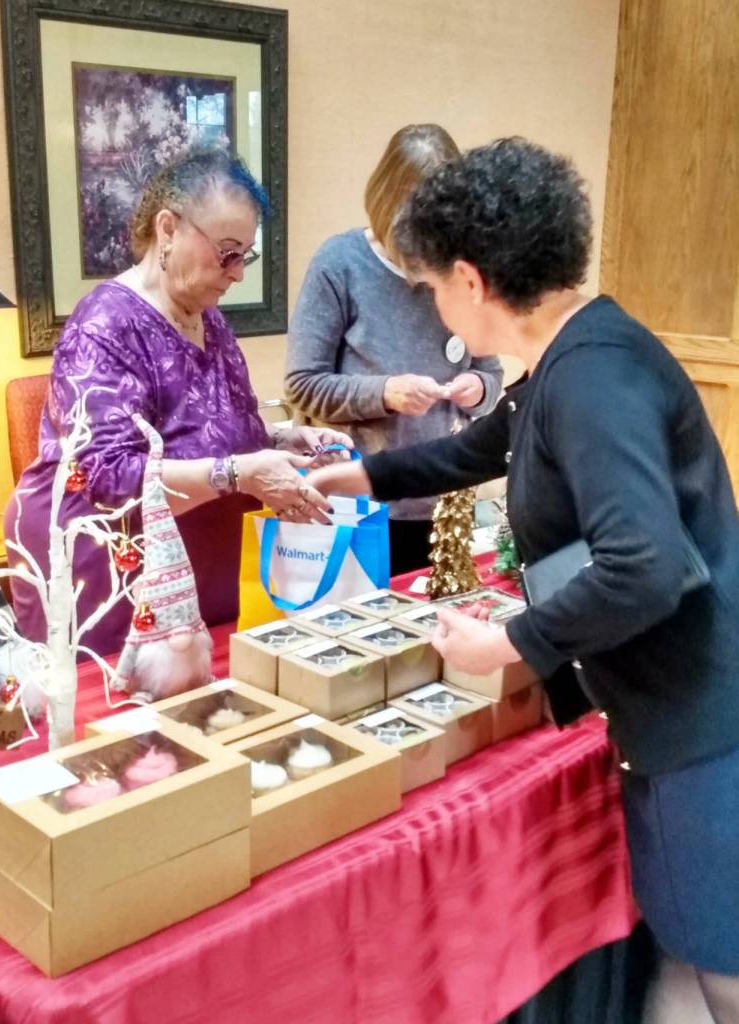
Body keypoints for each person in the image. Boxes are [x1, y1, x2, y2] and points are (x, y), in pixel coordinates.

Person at [307, 138, 739, 1023]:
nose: (431, 299)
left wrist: (507, 640)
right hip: (663, 710)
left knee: (723, 963)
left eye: (431, 284)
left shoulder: (594, 377)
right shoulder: (568, 353)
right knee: (680, 946)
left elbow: (644, 563)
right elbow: (484, 447)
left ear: (470, 278)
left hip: (704, 716)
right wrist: (356, 478)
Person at [5, 146, 350, 657]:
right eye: (227, 251)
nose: (237, 273)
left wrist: (284, 438)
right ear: (167, 229)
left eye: (246, 256)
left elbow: (220, 428)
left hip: (197, 574)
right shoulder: (104, 325)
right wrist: (240, 473)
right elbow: (106, 477)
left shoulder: (207, 317)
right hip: (110, 575)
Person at [284, 124, 503, 575]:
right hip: (361, 508)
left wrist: (478, 388)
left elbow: (491, 372)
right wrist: (386, 393)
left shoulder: (463, 266)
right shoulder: (340, 264)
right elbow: (302, 386)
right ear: (389, 207)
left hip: (446, 505)